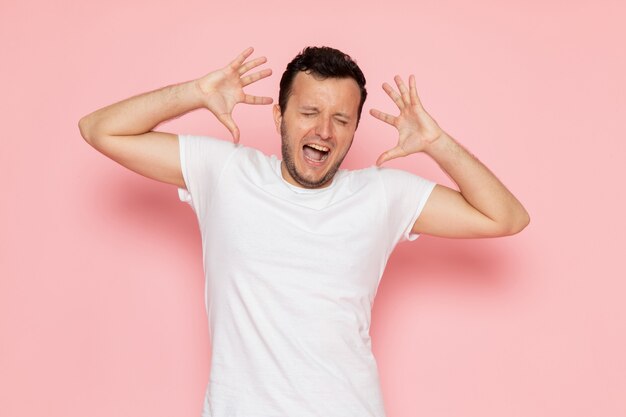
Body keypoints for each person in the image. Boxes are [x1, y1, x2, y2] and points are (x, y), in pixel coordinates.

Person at [79, 46, 529, 417]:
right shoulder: (226, 172)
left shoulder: (382, 195)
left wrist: (437, 144)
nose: (323, 131)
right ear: (279, 117)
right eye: (309, 112)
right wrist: (194, 93)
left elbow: (505, 217)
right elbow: (100, 130)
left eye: (341, 119)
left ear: (354, 130)